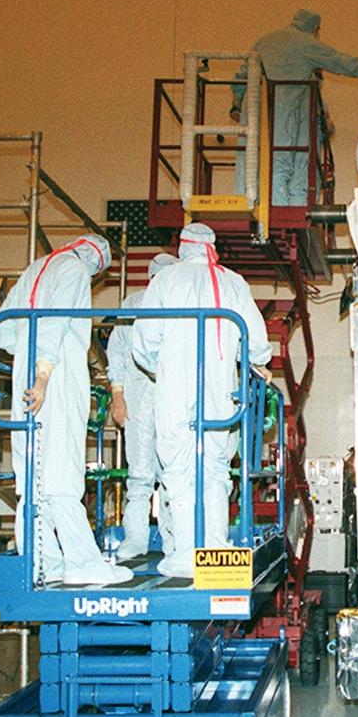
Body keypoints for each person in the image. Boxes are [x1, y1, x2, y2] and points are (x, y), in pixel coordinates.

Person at [131, 224, 273, 579]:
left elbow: (145, 342)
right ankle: (214, 547)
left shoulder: (164, 281)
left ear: (182, 248)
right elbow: (254, 338)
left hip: (175, 384)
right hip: (219, 385)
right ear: (212, 248)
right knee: (215, 465)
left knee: (178, 466)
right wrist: (257, 361)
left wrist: (160, 368)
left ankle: (184, 553)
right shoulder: (232, 281)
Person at [0, 236, 132, 586]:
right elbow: (55, 325)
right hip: (55, 379)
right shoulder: (73, 269)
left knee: (33, 477)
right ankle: (83, 562)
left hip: (24, 373)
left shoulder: (35, 269)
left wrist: (27, 355)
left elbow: (1, 332)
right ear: (93, 260)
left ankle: (42, 562)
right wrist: (43, 374)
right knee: (62, 471)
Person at [230, 9, 358, 206]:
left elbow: (242, 76)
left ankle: (245, 205)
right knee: (282, 163)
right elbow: (341, 62)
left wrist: (236, 104)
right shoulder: (304, 45)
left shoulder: (266, 41)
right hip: (283, 113)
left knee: (249, 161)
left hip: (253, 112)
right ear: (315, 28)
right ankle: (280, 215)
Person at [107, 251, 177, 561]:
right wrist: (117, 394)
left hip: (172, 399)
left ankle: (172, 542)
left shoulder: (181, 304)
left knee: (174, 475)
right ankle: (135, 542)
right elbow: (118, 352)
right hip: (138, 396)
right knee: (139, 474)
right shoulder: (133, 305)